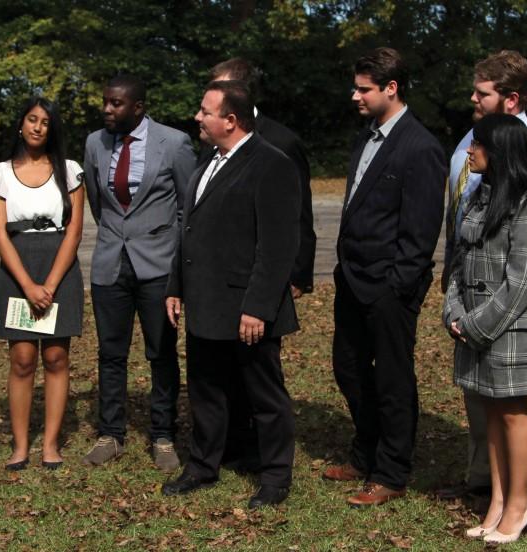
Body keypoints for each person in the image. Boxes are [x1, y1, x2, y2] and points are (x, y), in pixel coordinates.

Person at [438, 50, 527, 505]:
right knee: (483, 403)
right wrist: (455, 295)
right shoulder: (469, 145)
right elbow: (461, 219)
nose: (472, 98)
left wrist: (523, 306)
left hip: (512, 305)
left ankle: (519, 494)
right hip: (470, 290)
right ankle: (487, 485)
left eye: (483, 93)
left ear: (511, 100)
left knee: (513, 404)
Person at [162, 80, 300, 509]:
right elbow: (191, 230)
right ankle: (204, 465)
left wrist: (258, 307)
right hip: (204, 302)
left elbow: (277, 247)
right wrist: (175, 287)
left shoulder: (271, 164)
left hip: (246, 308)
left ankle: (275, 476)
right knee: (205, 390)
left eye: (206, 111)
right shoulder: (209, 161)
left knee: (264, 395)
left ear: (231, 120)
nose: (198, 118)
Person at [323, 47, 446, 507]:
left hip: (390, 289)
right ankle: (365, 452)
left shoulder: (420, 146)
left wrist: (398, 286)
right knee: (348, 368)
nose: (354, 95)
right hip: (352, 279)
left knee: (393, 381)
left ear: (391, 89)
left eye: (363, 89)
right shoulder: (367, 136)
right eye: (355, 87)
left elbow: (420, 231)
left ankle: (391, 471)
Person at [204, 57, 317, 472]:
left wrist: (298, 274)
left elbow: (297, 218)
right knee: (225, 371)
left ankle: (264, 453)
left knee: (258, 370)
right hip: (219, 282)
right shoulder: (212, 143)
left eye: (220, 88)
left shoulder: (280, 144)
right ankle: (232, 443)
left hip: (264, 280)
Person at [82, 75, 196, 471]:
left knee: (161, 352)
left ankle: (163, 435)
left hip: (159, 267)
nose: (107, 110)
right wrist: (121, 234)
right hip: (111, 264)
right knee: (110, 354)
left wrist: (176, 265)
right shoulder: (95, 143)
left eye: (116, 104)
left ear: (138, 107)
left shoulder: (175, 142)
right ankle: (110, 433)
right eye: (106, 102)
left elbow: (187, 207)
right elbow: (99, 204)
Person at [0, 97, 85, 471]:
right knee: (23, 358)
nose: (38, 127)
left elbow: (74, 231)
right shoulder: (0, 173)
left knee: (56, 356)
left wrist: (51, 283)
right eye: (32, 119)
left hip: (60, 266)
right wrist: (28, 285)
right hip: (18, 269)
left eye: (45, 122)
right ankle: (20, 446)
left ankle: (50, 445)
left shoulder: (70, 171)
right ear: (20, 124)